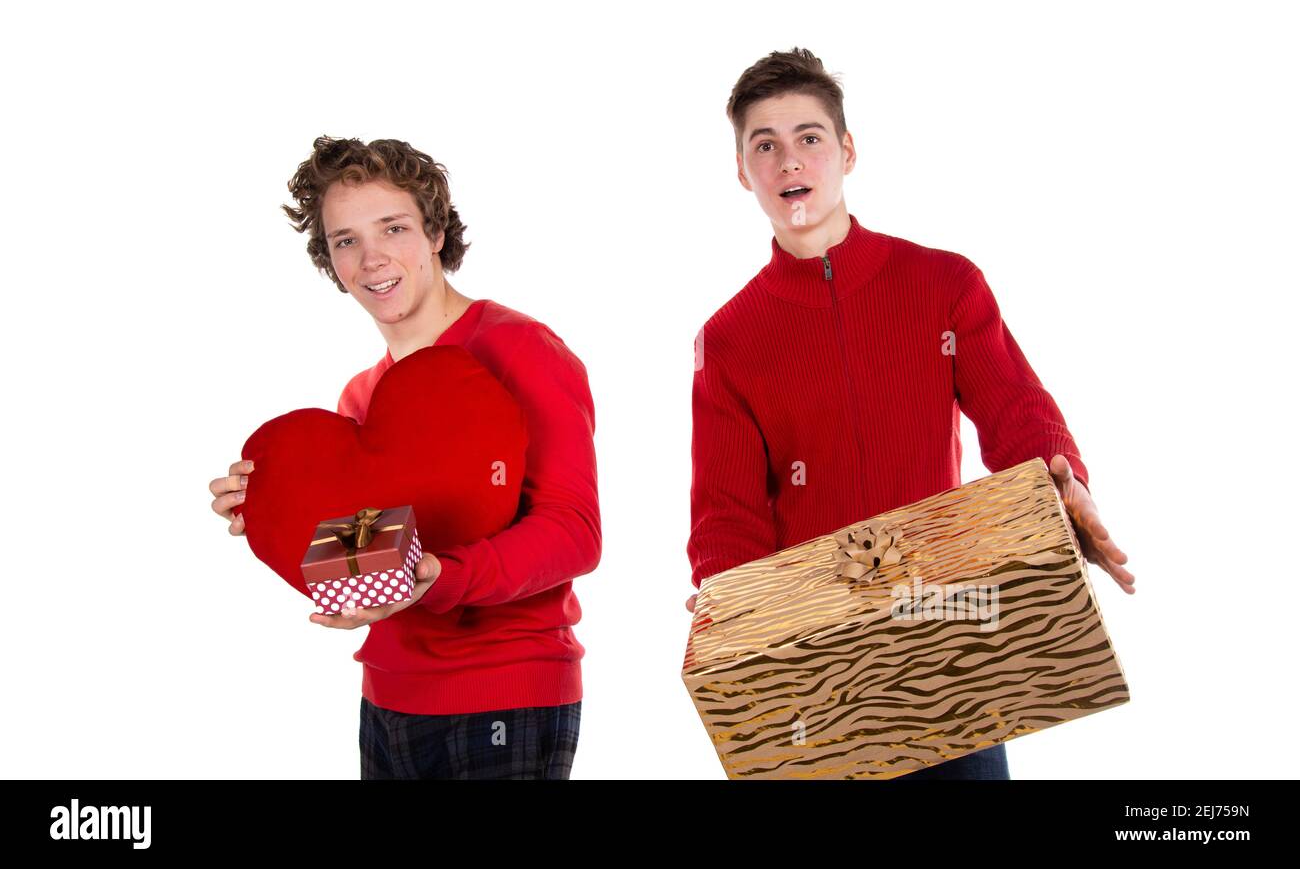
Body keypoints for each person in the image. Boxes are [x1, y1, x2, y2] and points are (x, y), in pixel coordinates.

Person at [685, 48, 1135, 780]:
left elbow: (1015, 409)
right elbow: (727, 513)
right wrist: (733, 600)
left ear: (847, 151)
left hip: (949, 638)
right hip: (820, 661)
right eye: (763, 145)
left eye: (808, 137)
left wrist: (1061, 482)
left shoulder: (943, 283)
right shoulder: (729, 340)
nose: (787, 160)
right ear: (743, 172)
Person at [208, 136, 599, 779]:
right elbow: (368, 553)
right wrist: (269, 510)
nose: (372, 258)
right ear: (330, 261)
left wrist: (441, 577)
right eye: (346, 240)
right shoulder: (361, 399)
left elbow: (574, 534)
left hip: (506, 691)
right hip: (387, 698)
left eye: (393, 228)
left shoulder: (522, 351)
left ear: (437, 231)